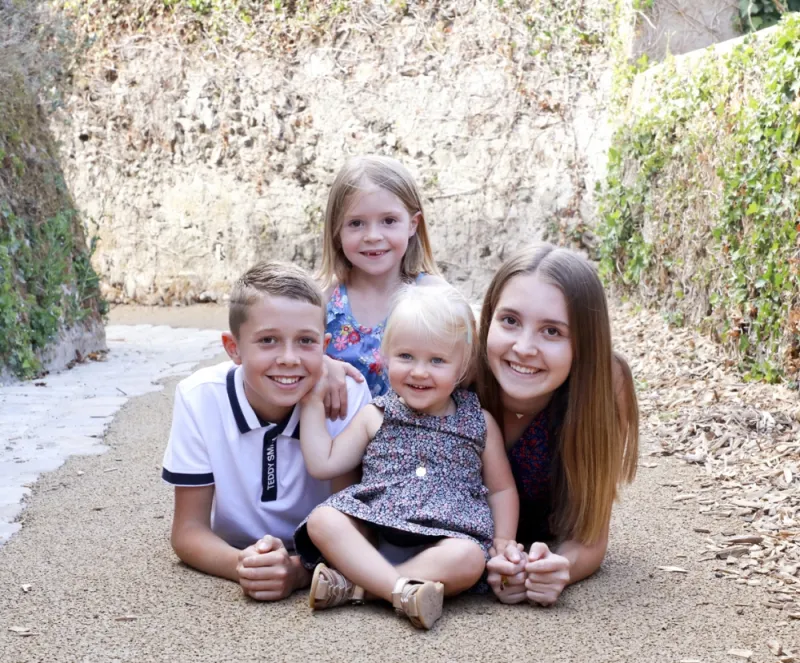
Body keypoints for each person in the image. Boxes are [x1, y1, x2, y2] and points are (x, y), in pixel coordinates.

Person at [293, 283, 518, 630]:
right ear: (386, 355)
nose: (419, 371)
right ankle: (401, 590)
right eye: (406, 357)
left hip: (449, 535)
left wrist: (504, 538)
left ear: (462, 365)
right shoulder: (376, 414)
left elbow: (501, 488)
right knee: (323, 520)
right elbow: (324, 463)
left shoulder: (478, 421)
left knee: (471, 558)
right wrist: (310, 402)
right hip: (376, 526)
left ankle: (363, 588)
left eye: (437, 360)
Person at [161, 261, 371, 601]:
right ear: (234, 348)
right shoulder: (199, 397)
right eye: (268, 340)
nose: (288, 358)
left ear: (325, 345)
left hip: (323, 545)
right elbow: (188, 531)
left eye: (306, 341)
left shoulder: (348, 396)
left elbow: (354, 522)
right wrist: (242, 565)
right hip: (236, 547)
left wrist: (300, 571)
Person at [477, 243, 639, 607]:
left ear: (584, 345)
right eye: (510, 321)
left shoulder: (606, 386)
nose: (524, 347)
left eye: (552, 331)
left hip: (540, 541)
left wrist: (558, 567)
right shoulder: (455, 370)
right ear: (488, 318)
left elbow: (590, 536)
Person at [317, 155, 443, 408]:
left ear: (412, 224)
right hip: (334, 442)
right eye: (356, 223)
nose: (373, 236)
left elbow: (467, 369)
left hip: (411, 441)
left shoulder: (436, 297)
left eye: (388, 221)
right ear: (336, 230)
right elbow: (285, 356)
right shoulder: (322, 298)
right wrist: (321, 365)